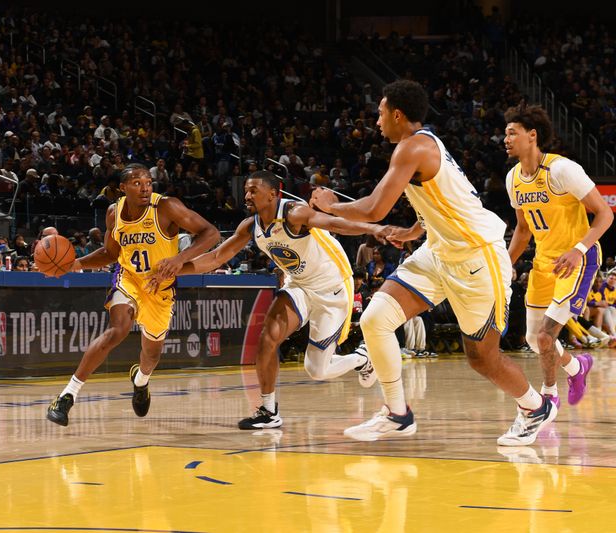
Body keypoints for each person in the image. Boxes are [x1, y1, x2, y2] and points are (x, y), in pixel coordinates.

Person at [311, 80, 553, 446]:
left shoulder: (414, 147)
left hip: (476, 256)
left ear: (397, 114)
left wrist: (330, 205)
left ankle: (534, 407)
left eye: (379, 113)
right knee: (376, 318)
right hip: (440, 250)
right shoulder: (422, 145)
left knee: (482, 359)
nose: (376, 121)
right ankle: (397, 414)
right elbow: (440, 200)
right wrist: (412, 231)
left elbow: (375, 208)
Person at [150, 170, 386, 430]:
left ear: (273, 194)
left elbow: (335, 224)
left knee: (317, 369)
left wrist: (375, 229)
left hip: (332, 287)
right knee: (267, 337)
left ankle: (363, 358)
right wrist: (175, 267)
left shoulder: (294, 213)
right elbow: (216, 258)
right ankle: (268, 411)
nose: (247, 195)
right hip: (299, 285)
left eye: (254, 190)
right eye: (246, 190)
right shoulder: (251, 226)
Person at [46, 164, 220, 426]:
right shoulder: (114, 213)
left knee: (151, 355)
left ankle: (140, 381)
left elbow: (211, 234)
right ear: (123, 188)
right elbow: (110, 254)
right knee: (117, 330)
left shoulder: (166, 207)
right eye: (137, 183)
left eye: (148, 182)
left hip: (160, 287)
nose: (145, 187)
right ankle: (67, 396)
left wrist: (179, 259)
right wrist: (76, 264)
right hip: (128, 279)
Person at [504, 105, 613, 409]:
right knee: (532, 338)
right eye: (505, 133)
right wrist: (504, 265)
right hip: (544, 261)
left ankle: (548, 397)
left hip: (578, 258)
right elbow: (523, 230)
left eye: (512, 132)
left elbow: (605, 214)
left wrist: (578, 249)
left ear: (532, 135)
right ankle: (577, 368)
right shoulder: (513, 178)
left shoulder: (563, 169)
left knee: (544, 336)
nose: (506, 138)